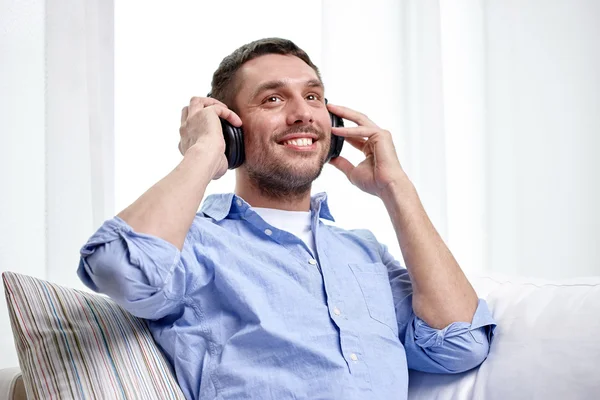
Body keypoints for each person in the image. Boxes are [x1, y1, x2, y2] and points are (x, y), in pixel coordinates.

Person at [78, 38, 496, 400]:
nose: (303, 114)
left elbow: (460, 345)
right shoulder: (195, 243)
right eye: (273, 99)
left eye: (313, 97)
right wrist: (203, 152)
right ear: (231, 131)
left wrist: (395, 188)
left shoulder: (362, 251)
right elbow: (118, 268)